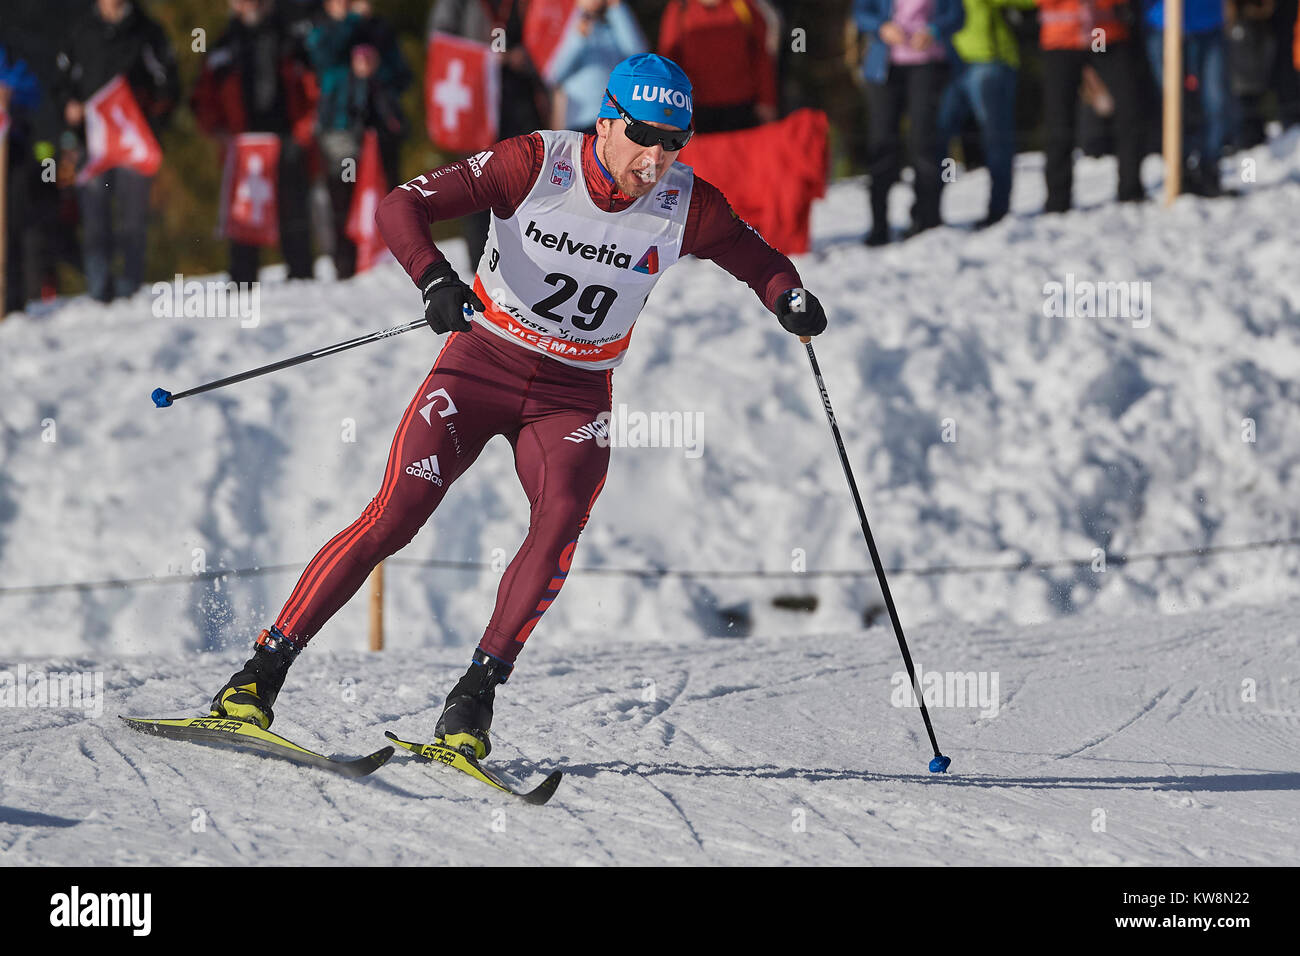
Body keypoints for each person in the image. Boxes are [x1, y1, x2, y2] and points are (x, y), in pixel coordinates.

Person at [206, 54, 828, 759]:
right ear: (607, 121)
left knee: (560, 517)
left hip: (574, 392)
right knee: (396, 514)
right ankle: (257, 679)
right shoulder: (536, 162)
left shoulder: (689, 202)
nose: (656, 157)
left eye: (674, 141)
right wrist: (434, 278)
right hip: (481, 365)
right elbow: (401, 204)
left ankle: (471, 700)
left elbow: (758, 258)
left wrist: (789, 297)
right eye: (645, 135)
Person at [53, 0, 179, 303]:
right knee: (95, 219)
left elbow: (170, 83)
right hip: (92, 145)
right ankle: (99, 291)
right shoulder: (81, 30)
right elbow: (61, 83)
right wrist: (69, 107)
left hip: (133, 144)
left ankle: (130, 288)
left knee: (133, 220)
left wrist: (152, 121)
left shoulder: (147, 30)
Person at [192, 0, 319, 283]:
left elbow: (313, 87)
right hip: (244, 145)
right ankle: (242, 282)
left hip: (286, 137)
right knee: (244, 215)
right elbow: (203, 98)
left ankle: (302, 279)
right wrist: (219, 131)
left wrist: (303, 130)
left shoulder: (293, 40)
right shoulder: (223, 46)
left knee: (294, 213)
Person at [309, 0, 410, 278]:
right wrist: (351, 22)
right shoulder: (322, 28)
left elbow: (403, 75)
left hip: (381, 131)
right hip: (341, 132)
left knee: (391, 198)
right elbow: (322, 61)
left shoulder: (379, 29)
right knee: (343, 200)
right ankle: (346, 267)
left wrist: (376, 68)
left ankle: (392, 261)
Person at [854, 0, 966, 244]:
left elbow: (957, 15)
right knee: (882, 144)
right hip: (883, 69)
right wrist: (881, 27)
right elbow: (861, 13)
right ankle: (879, 226)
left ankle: (927, 221)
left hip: (928, 66)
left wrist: (934, 30)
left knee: (924, 144)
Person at [1037, 0, 1146, 212]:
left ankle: (1130, 190)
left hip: (1100, 34)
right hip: (1061, 39)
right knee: (1059, 122)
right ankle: (1057, 201)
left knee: (1129, 111)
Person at [937, 0, 1036, 228]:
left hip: (989, 60)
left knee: (995, 140)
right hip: (946, 63)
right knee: (938, 139)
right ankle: (930, 210)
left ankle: (998, 211)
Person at [1142, 0, 1231, 197]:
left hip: (1209, 23)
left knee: (1216, 102)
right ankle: (1179, 170)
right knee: (1172, 105)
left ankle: (1210, 169)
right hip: (1163, 24)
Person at [659, 0, 781, 132]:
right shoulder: (680, 7)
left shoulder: (743, 5)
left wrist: (767, 101)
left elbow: (761, 56)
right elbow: (668, 60)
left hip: (742, 108)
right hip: (696, 110)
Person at [547, 0, 648, 133]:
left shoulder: (614, 27)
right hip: (579, 122)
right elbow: (553, 74)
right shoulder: (568, 27)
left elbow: (639, 56)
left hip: (614, 118)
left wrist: (616, 8)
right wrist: (579, 34)